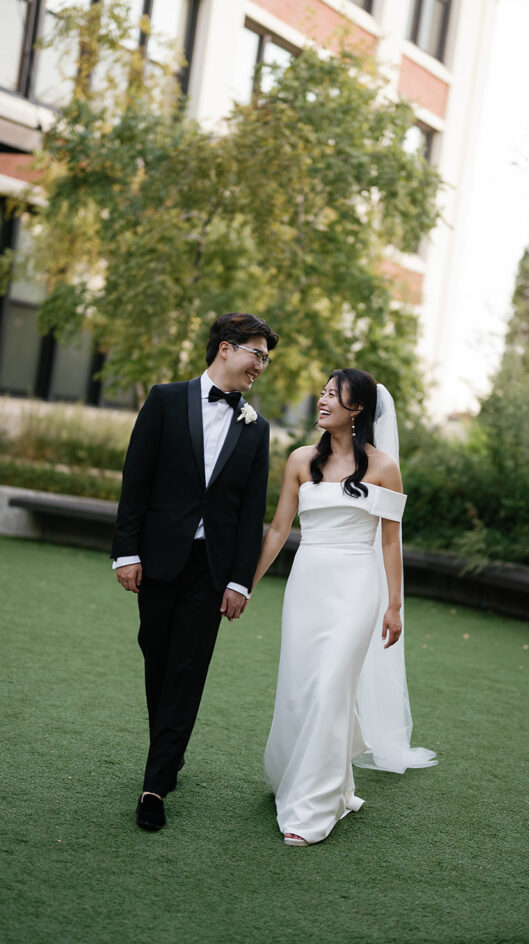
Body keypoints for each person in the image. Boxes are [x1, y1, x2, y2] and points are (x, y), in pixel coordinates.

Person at [252, 368, 436, 846]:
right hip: (307, 585)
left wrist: (394, 606)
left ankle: (312, 809)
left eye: (334, 395)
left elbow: (391, 543)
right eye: (322, 391)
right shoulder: (298, 460)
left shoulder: (383, 467)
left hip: (357, 588)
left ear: (358, 409)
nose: (322, 399)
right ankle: (314, 779)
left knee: (332, 685)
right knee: (301, 686)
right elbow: (277, 530)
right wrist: (245, 583)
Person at [112, 312, 278, 831]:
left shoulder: (257, 428)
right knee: (157, 659)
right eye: (257, 353)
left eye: (266, 358)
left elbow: (252, 512)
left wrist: (239, 581)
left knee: (187, 671)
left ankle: (155, 785)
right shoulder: (164, 399)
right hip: (159, 558)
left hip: (211, 571)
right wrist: (126, 551)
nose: (261, 365)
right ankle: (168, 754)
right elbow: (136, 478)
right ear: (225, 349)